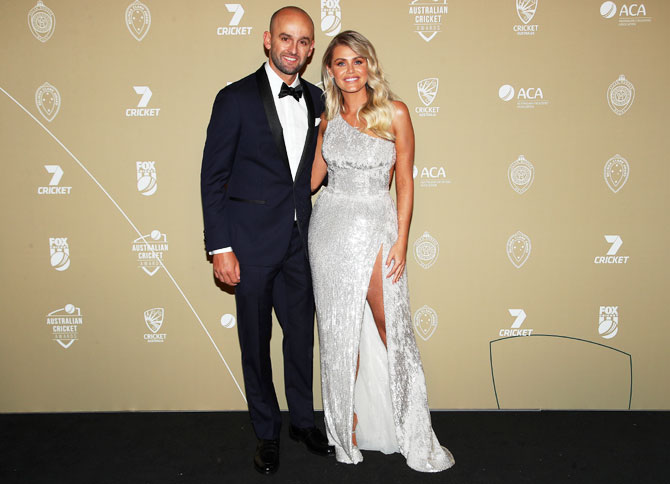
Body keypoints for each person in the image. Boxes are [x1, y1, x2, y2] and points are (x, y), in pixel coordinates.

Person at [309, 31, 455, 472]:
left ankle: (412, 427)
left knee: (391, 326)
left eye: (358, 62)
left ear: (370, 65)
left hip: (376, 225)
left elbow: (406, 180)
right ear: (330, 70)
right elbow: (311, 181)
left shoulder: (395, 112)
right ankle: (346, 429)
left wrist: (402, 240)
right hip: (329, 229)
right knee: (337, 333)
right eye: (340, 63)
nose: (350, 71)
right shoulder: (327, 118)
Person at [200, 6, 334, 475]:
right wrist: (220, 248)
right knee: (255, 345)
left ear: (311, 47)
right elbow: (212, 177)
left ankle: (303, 421)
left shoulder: (320, 99)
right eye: (285, 38)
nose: (293, 48)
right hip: (249, 247)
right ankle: (266, 432)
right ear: (267, 39)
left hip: (301, 242)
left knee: (300, 339)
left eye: (302, 41)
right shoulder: (233, 98)